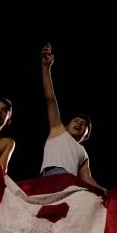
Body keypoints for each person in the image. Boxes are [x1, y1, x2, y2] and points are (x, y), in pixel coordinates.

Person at [39, 43, 104, 191]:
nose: (79, 123)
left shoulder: (83, 152)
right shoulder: (58, 129)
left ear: (86, 136)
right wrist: (46, 67)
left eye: (84, 125)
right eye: (76, 121)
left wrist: (103, 191)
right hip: (51, 176)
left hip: (72, 183)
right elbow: (50, 98)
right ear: (67, 125)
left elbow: (87, 178)